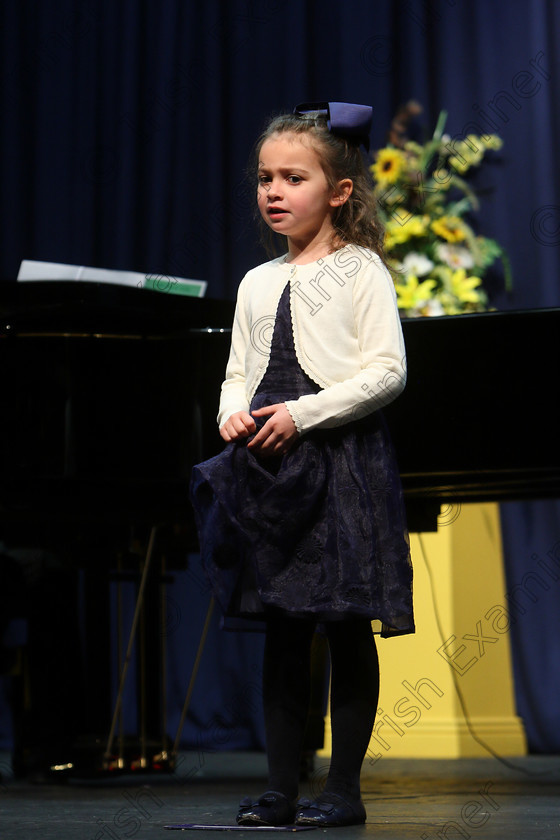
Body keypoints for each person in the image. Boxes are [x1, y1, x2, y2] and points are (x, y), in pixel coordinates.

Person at [190, 101, 414, 827]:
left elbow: (387, 374)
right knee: (285, 626)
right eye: (265, 178)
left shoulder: (361, 272)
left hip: (339, 464)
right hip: (273, 474)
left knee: (343, 623)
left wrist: (304, 414)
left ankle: (342, 791)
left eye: (293, 177)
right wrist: (232, 407)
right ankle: (281, 788)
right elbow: (237, 370)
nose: (274, 191)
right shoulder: (258, 281)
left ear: (339, 190)